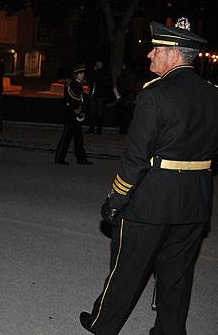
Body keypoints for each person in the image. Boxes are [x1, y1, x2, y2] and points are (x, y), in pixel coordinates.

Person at [80, 19, 218, 335]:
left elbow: (136, 158)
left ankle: (103, 325)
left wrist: (116, 199)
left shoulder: (155, 94)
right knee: (177, 275)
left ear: (173, 54)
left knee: (127, 269)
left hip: (150, 202)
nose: (150, 55)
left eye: (156, 49)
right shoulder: (212, 94)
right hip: (195, 201)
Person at [54, 63, 92, 165]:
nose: (82, 75)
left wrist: (83, 109)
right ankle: (59, 158)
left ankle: (81, 158)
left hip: (78, 115)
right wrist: (78, 111)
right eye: (80, 73)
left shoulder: (78, 85)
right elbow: (71, 100)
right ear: (75, 75)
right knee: (67, 137)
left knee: (79, 137)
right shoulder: (71, 85)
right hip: (71, 115)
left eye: (83, 73)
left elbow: (81, 99)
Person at [86, 57, 113, 134]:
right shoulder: (94, 71)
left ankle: (98, 128)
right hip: (93, 94)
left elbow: (108, 83)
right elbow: (89, 80)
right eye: (97, 63)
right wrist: (93, 72)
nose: (97, 64)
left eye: (99, 63)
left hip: (101, 94)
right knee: (92, 111)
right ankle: (92, 127)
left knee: (100, 112)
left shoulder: (106, 72)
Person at [114, 60, 138, 134]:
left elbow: (129, 86)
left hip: (127, 96)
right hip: (123, 96)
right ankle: (122, 128)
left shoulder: (130, 74)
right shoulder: (124, 73)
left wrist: (123, 94)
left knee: (126, 114)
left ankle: (125, 129)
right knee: (122, 113)